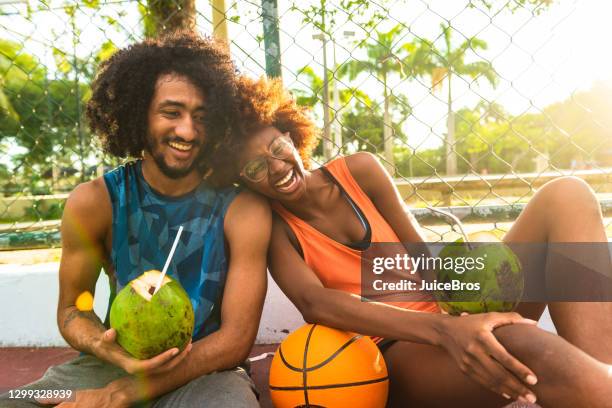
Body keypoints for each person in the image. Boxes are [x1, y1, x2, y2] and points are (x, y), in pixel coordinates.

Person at [207, 75, 612, 408]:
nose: (277, 168)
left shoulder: (359, 171)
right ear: (242, 179)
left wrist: (472, 292)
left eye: (277, 147)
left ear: (292, 136)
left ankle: (601, 374)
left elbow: (422, 256)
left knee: (567, 194)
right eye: (256, 167)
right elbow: (316, 303)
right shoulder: (274, 225)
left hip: (446, 315)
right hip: (394, 353)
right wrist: (444, 331)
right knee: (524, 345)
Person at [0, 33, 270, 408]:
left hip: (205, 372)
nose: (187, 131)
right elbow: (72, 309)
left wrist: (127, 393)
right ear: (139, 113)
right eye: (172, 113)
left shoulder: (242, 210)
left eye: (201, 117)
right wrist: (105, 349)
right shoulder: (95, 202)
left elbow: (236, 339)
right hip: (109, 365)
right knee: (14, 401)